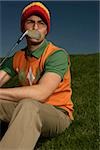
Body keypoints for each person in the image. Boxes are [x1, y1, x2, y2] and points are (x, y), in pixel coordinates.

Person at [0, 2, 74, 150]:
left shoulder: (56, 54)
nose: (35, 28)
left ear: (46, 30)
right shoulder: (17, 56)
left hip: (56, 113)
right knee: (26, 104)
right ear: (23, 28)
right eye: (30, 22)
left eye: (41, 23)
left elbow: (41, 93)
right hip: (24, 107)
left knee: (29, 105)